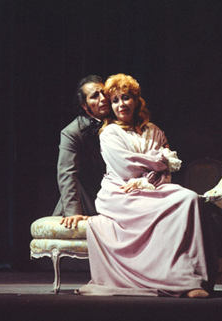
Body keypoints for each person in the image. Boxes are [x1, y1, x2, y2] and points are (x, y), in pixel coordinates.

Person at [68, 73, 211, 298]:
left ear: (135, 100)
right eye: (114, 101)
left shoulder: (153, 130)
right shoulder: (109, 133)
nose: (120, 104)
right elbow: (128, 167)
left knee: (189, 198)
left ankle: (189, 278)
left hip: (153, 186)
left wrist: (155, 171)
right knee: (177, 201)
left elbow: (165, 170)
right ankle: (174, 280)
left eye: (125, 98)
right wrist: (161, 159)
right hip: (120, 194)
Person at [53, 75, 110, 229]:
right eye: (95, 96)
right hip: (86, 198)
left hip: (114, 195)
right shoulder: (72, 132)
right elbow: (67, 174)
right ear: (85, 106)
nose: (103, 98)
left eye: (104, 93)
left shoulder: (120, 122)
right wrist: (73, 212)